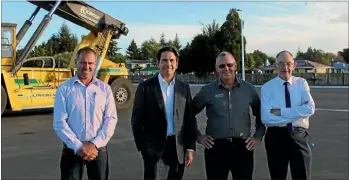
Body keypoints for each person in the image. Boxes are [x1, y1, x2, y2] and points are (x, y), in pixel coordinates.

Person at [191, 51, 266, 180]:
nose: (226, 68)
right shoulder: (207, 91)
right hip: (216, 148)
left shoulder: (248, 89)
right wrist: (198, 136)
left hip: (243, 147)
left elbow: (261, 115)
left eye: (230, 64)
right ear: (216, 69)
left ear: (235, 66)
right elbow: (188, 114)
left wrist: (258, 137)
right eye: (222, 66)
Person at [131, 46, 196, 180]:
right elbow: (136, 121)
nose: (168, 64)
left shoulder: (184, 88)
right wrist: (144, 149)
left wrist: (190, 148)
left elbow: (189, 120)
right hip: (154, 151)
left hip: (178, 149)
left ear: (177, 64)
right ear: (158, 63)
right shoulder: (146, 87)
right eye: (164, 60)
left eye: (172, 60)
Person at [53, 47, 118, 180]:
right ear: (76, 62)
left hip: (98, 150)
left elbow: (110, 118)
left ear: (95, 64)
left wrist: (94, 144)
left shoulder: (104, 89)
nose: (86, 67)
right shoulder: (64, 89)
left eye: (90, 63)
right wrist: (78, 146)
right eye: (83, 62)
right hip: (72, 150)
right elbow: (59, 122)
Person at [261, 50, 315, 180]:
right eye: (281, 63)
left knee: (302, 176)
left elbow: (310, 108)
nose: (285, 67)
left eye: (288, 63)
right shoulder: (267, 88)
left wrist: (281, 112)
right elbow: (266, 118)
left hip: (299, 135)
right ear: (275, 65)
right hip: (276, 137)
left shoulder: (301, 83)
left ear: (294, 65)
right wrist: (297, 113)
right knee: (278, 176)